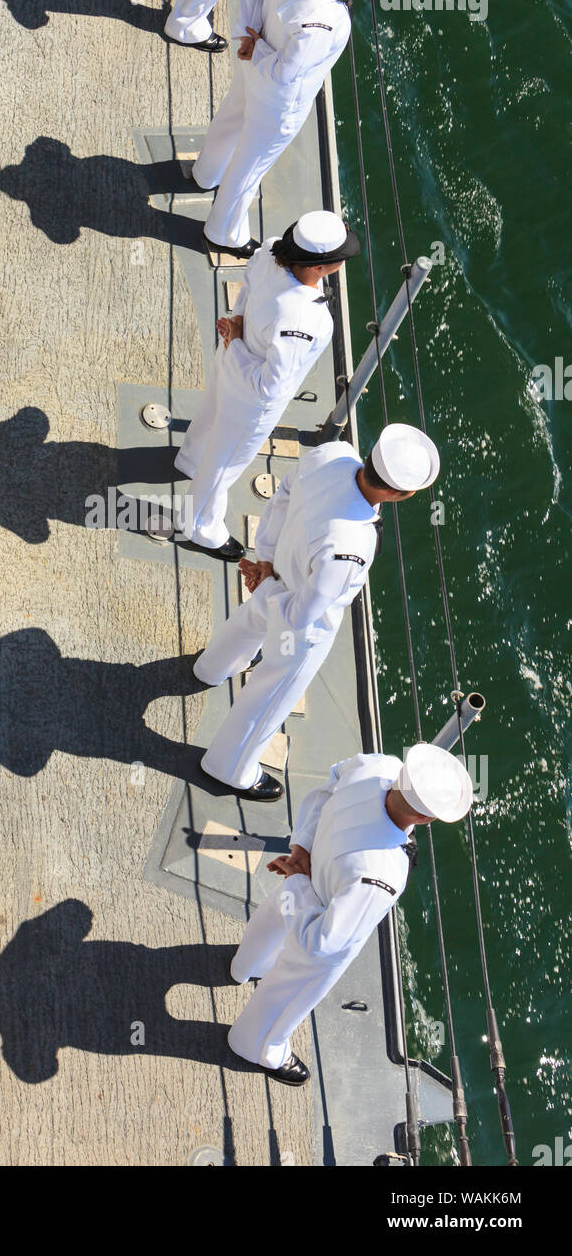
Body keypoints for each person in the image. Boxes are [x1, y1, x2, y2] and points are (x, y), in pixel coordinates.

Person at [194, 423, 440, 801]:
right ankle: (229, 767)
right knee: (273, 690)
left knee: (248, 623)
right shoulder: (354, 542)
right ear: (398, 494)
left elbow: (282, 497)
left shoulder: (333, 454)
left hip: (275, 574)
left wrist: (266, 561)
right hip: (296, 616)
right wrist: (273, 586)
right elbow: (304, 611)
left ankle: (210, 669)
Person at [226, 744, 474, 1085]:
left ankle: (244, 966)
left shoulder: (376, 766)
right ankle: (256, 1046)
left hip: (305, 871)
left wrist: (301, 851)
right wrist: (300, 879)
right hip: (317, 907)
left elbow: (325, 791)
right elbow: (322, 946)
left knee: (269, 924)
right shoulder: (385, 873)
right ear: (425, 818)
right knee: (294, 984)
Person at [192, 0, 379, 257]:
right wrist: (258, 49)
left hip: (250, 64)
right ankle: (223, 232)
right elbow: (286, 72)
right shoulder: (329, 18)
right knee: (250, 166)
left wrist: (248, 37)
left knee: (230, 120)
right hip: (279, 100)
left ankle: (204, 173)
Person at [174, 210, 358, 559]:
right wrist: (241, 341)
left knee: (207, 422)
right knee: (225, 463)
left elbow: (247, 287)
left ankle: (189, 460)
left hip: (229, 356)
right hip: (250, 395)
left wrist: (237, 327)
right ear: (321, 268)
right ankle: (200, 525)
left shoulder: (271, 249)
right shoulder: (308, 318)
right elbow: (271, 386)